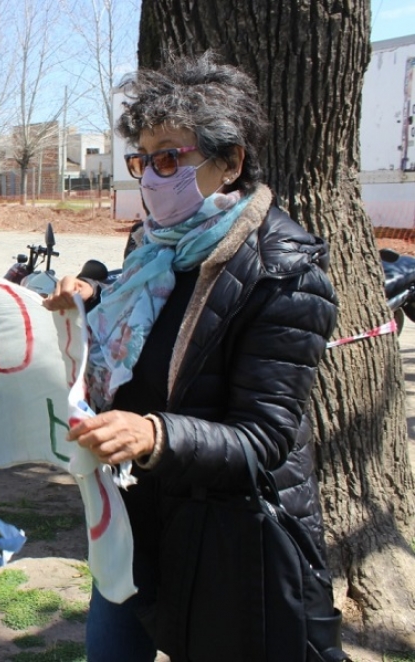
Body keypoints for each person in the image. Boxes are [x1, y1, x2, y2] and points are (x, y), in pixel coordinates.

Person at [42, 52, 338, 661]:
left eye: (171, 157)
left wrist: (153, 436)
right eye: (143, 159)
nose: (153, 176)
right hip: (131, 524)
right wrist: (96, 292)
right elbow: (143, 309)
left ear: (230, 163)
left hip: (226, 543)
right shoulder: (154, 247)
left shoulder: (283, 274)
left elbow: (263, 440)